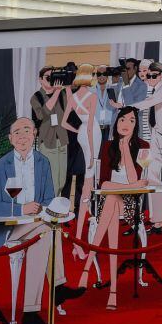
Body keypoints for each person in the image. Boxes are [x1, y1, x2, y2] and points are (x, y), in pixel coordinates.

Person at [0, 117, 83, 324]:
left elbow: (48, 199)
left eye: (27, 130)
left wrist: (55, 209)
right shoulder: (1, 165)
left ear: (35, 134)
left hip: (36, 225)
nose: (22, 136)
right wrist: (21, 209)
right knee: (48, 229)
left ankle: (31, 311)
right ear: (11, 139)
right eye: (17, 132)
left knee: (46, 230)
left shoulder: (42, 162)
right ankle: (57, 286)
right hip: (9, 228)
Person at [74, 106, 149, 310]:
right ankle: (113, 291)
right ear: (116, 123)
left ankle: (87, 268)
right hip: (110, 200)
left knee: (113, 199)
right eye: (122, 119)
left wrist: (126, 151)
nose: (126, 124)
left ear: (136, 125)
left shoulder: (143, 146)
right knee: (112, 199)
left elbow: (137, 179)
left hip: (132, 205)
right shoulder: (107, 147)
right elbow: (104, 185)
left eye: (131, 121)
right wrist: (130, 186)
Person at [111, 61, 162, 235]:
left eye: (154, 76)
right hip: (155, 136)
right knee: (152, 177)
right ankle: (157, 222)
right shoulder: (151, 87)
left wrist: (126, 107)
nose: (150, 79)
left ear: (161, 75)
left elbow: (149, 102)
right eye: (148, 75)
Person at [64, 64, 102, 216]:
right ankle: (66, 210)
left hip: (82, 137)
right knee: (67, 178)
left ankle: (82, 210)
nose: (73, 79)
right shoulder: (66, 93)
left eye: (74, 75)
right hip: (69, 139)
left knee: (83, 175)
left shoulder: (85, 94)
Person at [31, 66, 70, 196]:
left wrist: (68, 86)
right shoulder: (36, 97)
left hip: (62, 139)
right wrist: (57, 92)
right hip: (47, 141)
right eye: (48, 78)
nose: (51, 80)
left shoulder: (62, 94)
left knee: (61, 180)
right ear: (40, 80)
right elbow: (42, 114)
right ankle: (51, 207)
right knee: (52, 179)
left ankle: (56, 207)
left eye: (53, 77)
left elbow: (71, 107)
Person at [93, 65, 119, 143]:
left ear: (108, 75)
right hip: (95, 128)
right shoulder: (90, 91)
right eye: (99, 74)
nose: (101, 76)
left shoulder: (113, 89)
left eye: (104, 74)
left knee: (108, 153)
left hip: (109, 128)